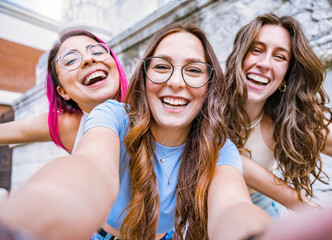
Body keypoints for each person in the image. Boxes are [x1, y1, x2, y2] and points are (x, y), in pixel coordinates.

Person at [0, 24, 270, 240]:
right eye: (162, 66)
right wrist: (30, 218)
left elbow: (232, 204)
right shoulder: (101, 118)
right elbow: (89, 169)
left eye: (194, 70)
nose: (176, 82)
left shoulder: (213, 146)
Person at [225, 13, 332, 217]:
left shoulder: (291, 121)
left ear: (286, 76)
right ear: (239, 57)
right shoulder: (207, 103)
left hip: (259, 207)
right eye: (256, 50)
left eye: (280, 57)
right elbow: (226, 157)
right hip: (197, 207)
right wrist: (307, 207)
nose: (264, 63)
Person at [0, 29, 128, 154]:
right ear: (63, 92)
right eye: (71, 60)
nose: (88, 59)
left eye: (97, 52)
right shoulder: (68, 126)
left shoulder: (146, 98)